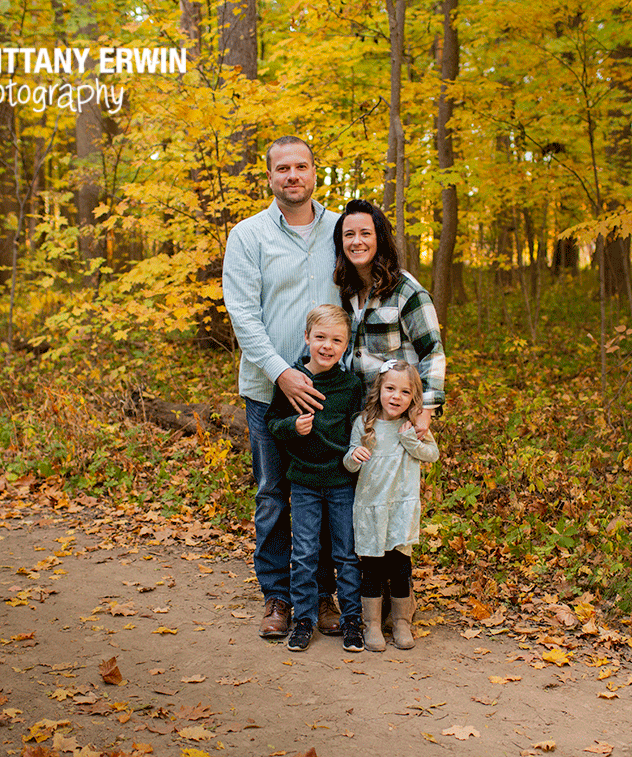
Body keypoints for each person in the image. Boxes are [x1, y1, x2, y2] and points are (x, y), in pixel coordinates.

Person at [222, 136, 343, 639]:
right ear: (269, 176)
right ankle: (276, 595)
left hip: (332, 390)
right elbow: (244, 316)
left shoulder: (341, 230)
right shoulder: (248, 236)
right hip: (268, 388)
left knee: (327, 492)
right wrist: (282, 373)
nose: (292, 176)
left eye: (301, 167)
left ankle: (322, 593)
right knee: (274, 493)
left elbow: (377, 283)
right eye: (282, 169)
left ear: (316, 172)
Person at [265, 305, 365, 653]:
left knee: (347, 554)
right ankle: (304, 619)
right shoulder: (292, 380)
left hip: (341, 483)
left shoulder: (351, 385)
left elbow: (360, 429)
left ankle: (352, 618)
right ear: (306, 338)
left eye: (336, 340)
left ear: (346, 345)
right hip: (304, 483)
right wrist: (292, 427)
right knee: (305, 553)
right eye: (320, 337)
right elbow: (272, 423)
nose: (327, 345)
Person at [345, 359, 439, 651]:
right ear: (379, 389)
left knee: (400, 567)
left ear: (414, 397)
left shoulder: (412, 425)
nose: (396, 397)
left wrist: (410, 439)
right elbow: (348, 464)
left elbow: (432, 454)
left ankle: (400, 623)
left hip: (401, 508)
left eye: (405, 392)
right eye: (390, 389)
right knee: (372, 568)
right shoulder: (364, 423)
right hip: (371, 507)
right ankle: (372, 624)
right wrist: (354, 455)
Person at [333, 199, 445, 436]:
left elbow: (432, 351)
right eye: (349, 234)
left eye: (365, 233)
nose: (357, 241)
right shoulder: (344, 292)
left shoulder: (406, 291)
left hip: (398, 420)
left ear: (379, 238)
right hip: (358, 419)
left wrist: (425, 411)